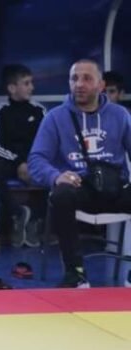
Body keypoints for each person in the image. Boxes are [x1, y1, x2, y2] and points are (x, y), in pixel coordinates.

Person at [29, 59, 131, 288]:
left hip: (114, 188)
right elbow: (36, 160)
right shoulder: (55, 117)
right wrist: (56, 176)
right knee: (60, 194)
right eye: (74, 78)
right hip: (79, 188)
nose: (79, 84)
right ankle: (75, 273)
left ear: (101, 85)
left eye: (87, 78)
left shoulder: (120, 115)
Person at [0, 64, 46, 247]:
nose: (32, 87)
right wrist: (20, 162)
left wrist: (30, 162)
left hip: (33, 161)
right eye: (26, 83)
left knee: (55, 173)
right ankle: (17, 214)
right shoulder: (0, 110)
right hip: (9, 160)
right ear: (12, 88)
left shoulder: (39, 110)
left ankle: (35, 220)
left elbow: (47, 143)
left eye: (31, 83)